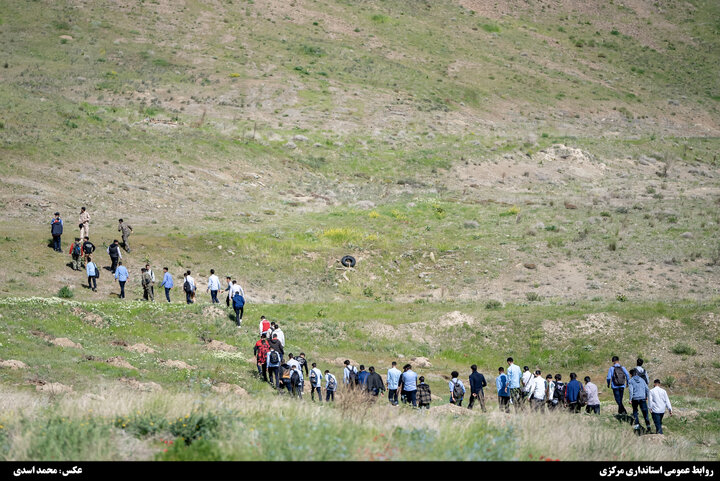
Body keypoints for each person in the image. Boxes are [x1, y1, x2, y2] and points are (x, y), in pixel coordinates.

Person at [629, 368, 652, 432]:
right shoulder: (642, 380)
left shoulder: (631, 381)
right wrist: (646, 396)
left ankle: (637, 426)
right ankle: (648, 426)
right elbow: (647, 389)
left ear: (631, 374)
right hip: (642, 398)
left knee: (635, 411)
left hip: (635, 398)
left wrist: (630, 399)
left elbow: (631, 391)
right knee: (645, 412)